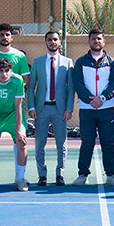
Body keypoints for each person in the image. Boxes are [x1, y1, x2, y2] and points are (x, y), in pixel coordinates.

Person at [0, 23, 30, 182]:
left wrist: (11, 88)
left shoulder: (19, 57)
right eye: (1, 34)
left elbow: (26, 79)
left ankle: (20, 178)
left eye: (7, 34)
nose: (4, 37)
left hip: (12, 110)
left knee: (20, 140)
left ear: (12, 37)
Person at [72, 28, 114, 186]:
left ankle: (111, 174)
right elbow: (77, 83)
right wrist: (90, 100)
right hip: (87, 110)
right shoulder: (81, 62)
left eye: (99, 38)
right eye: (93, 39)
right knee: (87, 142)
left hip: (106, 109)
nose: (96, 41)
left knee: (108, 142)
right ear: (89, 41)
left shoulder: (112, 62)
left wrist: (102, 98)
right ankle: (83, 174)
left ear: (104, 41)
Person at [28, 30, 75, 186]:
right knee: (39, 144)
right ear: (45, 42)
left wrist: (69, 109)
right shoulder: (37, 62)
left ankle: (60, 174)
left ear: (60, 42)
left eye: (55, 39)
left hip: (59, 109)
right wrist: (32, 107)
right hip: (41, 109)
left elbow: (70, 88)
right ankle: (42, 175)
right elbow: (31, 87)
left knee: (61, 144)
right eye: (49, 39)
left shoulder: (67, 62)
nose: (52, 42)